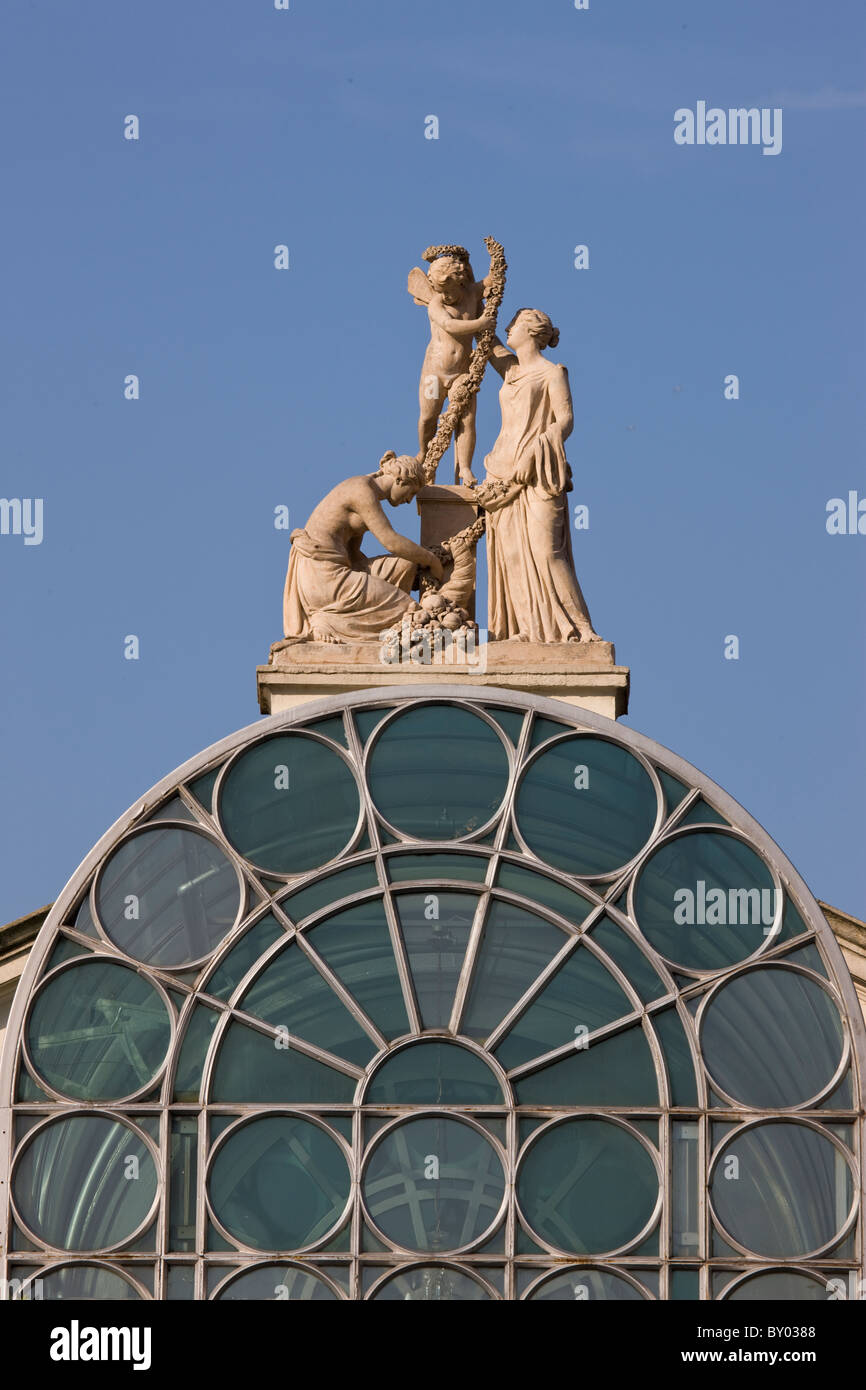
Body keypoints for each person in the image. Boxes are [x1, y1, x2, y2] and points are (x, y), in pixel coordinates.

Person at [481, 308, 600, 644]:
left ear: (532, 331)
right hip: (501, 471)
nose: (508, 329)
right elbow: (484, 334)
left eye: (514, 324)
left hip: (538, 472)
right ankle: (526, 629)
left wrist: (536, 449)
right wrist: (475, 298)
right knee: (513, 555)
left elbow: (565, 420)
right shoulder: (510, 370)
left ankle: (581, 629)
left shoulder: (552, 373)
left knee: (548, 552)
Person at [282, 451, 444, 643]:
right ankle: (326, 622)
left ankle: (359, 616)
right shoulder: (361, 491)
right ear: (401, 480)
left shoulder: (368, 492)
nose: (409, 500)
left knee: (406, 564)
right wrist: (431, 560)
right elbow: (390, 541)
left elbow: (354, 556)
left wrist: (407, 572)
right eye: (412, 492)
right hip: (323, 577)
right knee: (406, 609)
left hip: (336, 570)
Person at [408, 253, 495, 484]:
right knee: (428, 418)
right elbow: (449, 324)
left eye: (446, 289)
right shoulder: (436, 304)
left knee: (466, 419)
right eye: (438, 289)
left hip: (462, 372)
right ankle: (424, 454)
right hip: (433, 374)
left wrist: (497, 265)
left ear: (458, 280)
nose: (442, 295)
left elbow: (490, 281)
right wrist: (480, 323)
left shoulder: (472, 295)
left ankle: (464, 468)